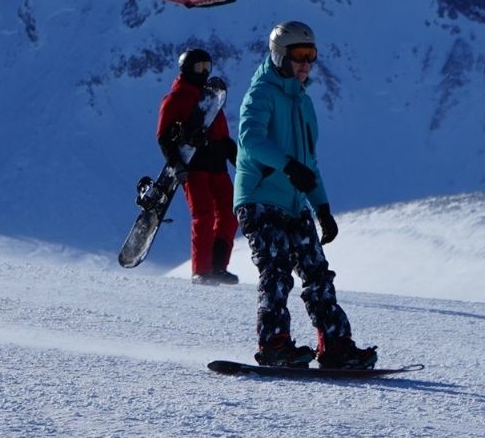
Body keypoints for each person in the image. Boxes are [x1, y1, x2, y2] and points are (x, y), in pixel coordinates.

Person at [232, 20, 378, 369]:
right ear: (280, 55)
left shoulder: (304, 104)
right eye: (298, 55)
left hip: (295, 202)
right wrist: (287, 165)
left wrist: (322, 208)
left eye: (311, 56)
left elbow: (309, 162)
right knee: (277, 270)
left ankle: (336, 344)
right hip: (260, 198)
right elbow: (251, 141)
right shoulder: (261, 93)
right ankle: (274, 344)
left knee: (317, 273)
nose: (305, 63)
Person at [157, 48, 239, 286]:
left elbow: (223, 138)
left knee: (229, 215)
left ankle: (218, 267)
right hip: (194, 167)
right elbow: (163, 136)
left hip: (217, 166)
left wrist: (242, 164)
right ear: (186, 69)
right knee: (203, 216)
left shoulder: (211, 100)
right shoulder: (175, 99)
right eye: (198, 68)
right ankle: (201, 270)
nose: (203, 73)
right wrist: (175, 164)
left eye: (207, 67)